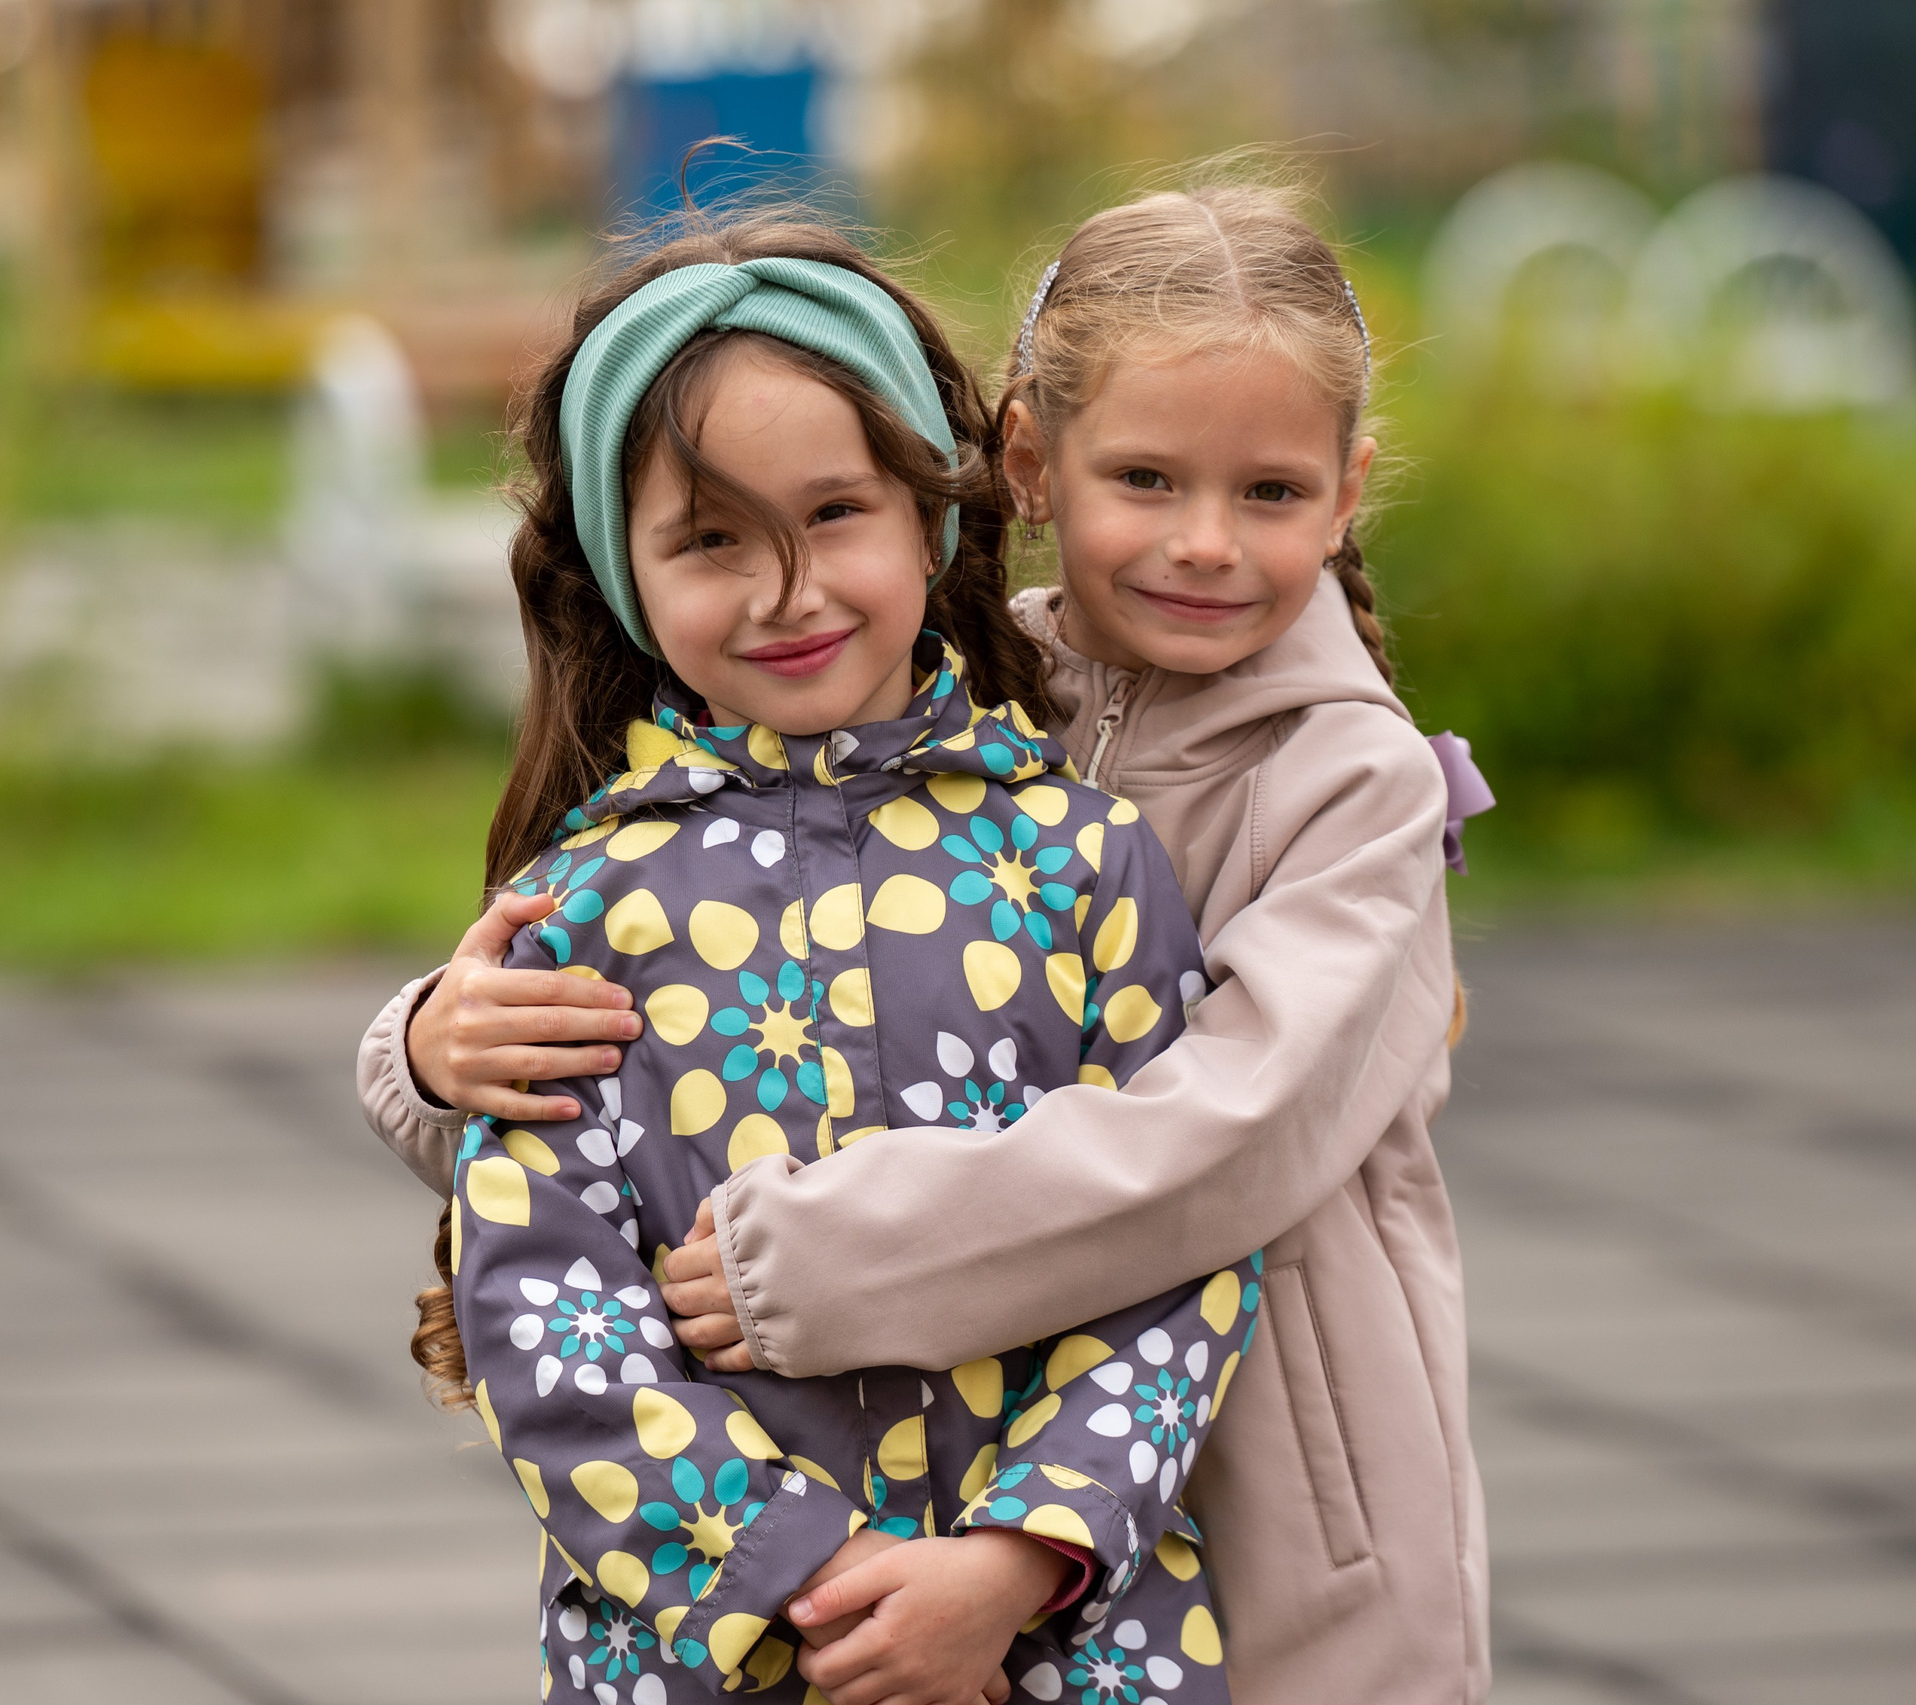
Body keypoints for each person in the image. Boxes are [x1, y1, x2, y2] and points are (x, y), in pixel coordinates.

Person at [364, 170, 1495, 1705]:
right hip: (893, 1561)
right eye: (1147, 479)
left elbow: (1222, 1151)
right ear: (1026, 462)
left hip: (1248, 1474)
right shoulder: (984, 717)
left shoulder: (1338, 786)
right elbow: (573, 1190)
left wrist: (824, 1270)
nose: (1205, 543)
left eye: (1270, 492)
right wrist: (428, 1049)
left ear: (1346, 491)